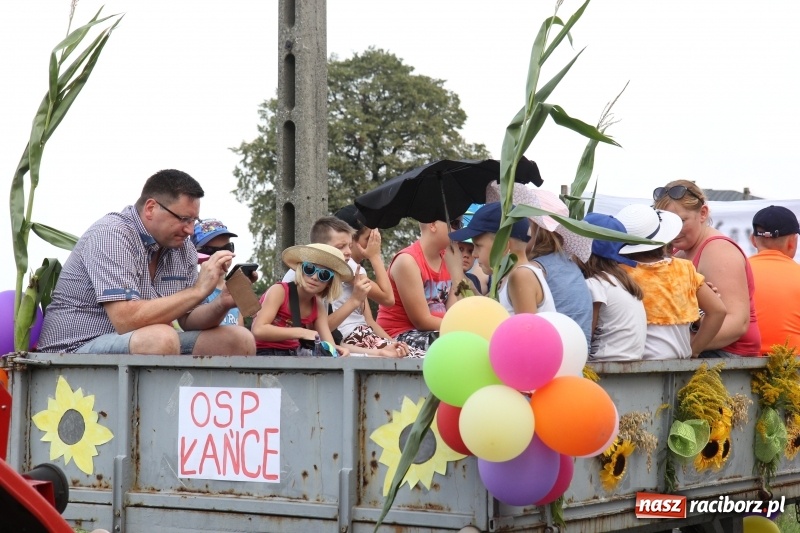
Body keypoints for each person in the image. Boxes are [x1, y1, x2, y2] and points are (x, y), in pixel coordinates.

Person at [37, 169, 256, 355]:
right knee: (161, 338)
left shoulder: (182, 248)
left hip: (140, 344)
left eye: (193, 220)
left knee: (239, 340)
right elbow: (126, 320)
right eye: (183, 219)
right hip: (73, 349)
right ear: (151, 208)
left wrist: (222, 303)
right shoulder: (113, 234)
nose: (190, 230)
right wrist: (198, 290)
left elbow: (189, 319)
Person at [654, 180, 761, 357]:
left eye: (681, 221)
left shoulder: (718, 251)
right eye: (667, 223)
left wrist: (687, 350)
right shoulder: (681, 251)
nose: (674, 230)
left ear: (703, 213)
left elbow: (737, 323)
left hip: (729, 359)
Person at [616, 204, 726, 359]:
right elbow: (718, 311)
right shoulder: (685, 269)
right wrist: (694, 350)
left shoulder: (617, 274)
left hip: (632, 364)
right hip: (678, 364)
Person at [376, 218, 466, 351]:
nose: (460, 230)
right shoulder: (407, 261)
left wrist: (457, 271)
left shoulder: (448, 259)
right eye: (455, 224)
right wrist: (462, 328)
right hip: (398, 336)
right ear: (433, 225)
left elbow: (453, 311)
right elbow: (421, 321)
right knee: (456, 344)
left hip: (435, 331)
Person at [449, 202, 554, 315]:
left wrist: (457, 276)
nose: (474, 254)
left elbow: (525, 331)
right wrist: (468, 284)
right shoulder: (506, 279)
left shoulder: (521, 276)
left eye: (478, 246)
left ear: (503, 246)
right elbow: (488, 313)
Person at [252, 244, 353, 356]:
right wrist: (302, 332)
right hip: (264, 353)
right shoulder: (279, 291)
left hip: (294, 355)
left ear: (330, 283)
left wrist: (339, 350)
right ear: (300, 269)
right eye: (309, 268)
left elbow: (329, 343)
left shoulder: (318, 306)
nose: (314, 277)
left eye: (324, 274)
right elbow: (258, 330)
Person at [578, 213, 646, 361]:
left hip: (606, 361)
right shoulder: (622, 280)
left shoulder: (595, 285)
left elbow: (586, 333)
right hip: (631, 360)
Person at [748, 205, 800, 355]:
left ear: (753, 240)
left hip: (741, 366)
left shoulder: (736, 272)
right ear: (792, 241)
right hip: (793, 368)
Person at [192, 218, 245, 326]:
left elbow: (241, 328)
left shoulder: (235, 287)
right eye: (210, 251)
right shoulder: (191, 287)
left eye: (227, 248)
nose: (221, 255)